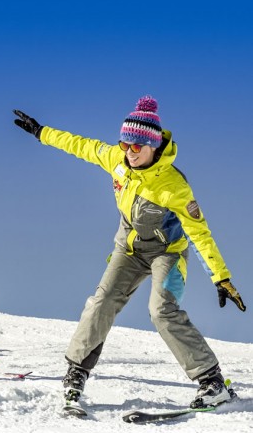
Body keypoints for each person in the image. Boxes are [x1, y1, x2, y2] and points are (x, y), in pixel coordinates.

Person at [13, 96, 246, 409]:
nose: (129, 152)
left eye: (136, 147)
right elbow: (79, 145)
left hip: (168, 253)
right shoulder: (116, 159)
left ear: (152, 146)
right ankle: (76, 372)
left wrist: (221, 277)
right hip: (129, 250)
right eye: (125, 145)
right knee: (102, 300)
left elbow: (199, 233)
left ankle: (213, 382)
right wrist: (42, 132)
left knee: (161, 310)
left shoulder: (174, 186)